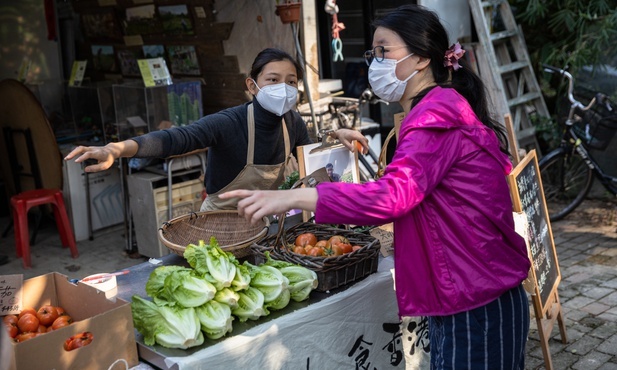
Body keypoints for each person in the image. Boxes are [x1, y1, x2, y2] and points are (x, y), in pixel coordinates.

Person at [221, 5, 531, 370]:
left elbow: (394, 194)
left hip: (475, 298)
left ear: (420, 59)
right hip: (470, 290)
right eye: (373, 52)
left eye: (384, 50)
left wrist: (293, 196)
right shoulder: (438, 107)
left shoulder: (435, 115)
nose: (374, 61)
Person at [65, 48, 368, 211]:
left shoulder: (292, 122)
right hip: (220, 220)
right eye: (273, 80)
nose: (283, 88)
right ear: (252, 85)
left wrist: (335, 138)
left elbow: (311, 156)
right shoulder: (228, 122)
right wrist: (116, 149)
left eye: (291, 82)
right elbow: (175, 138)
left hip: (264, 220)